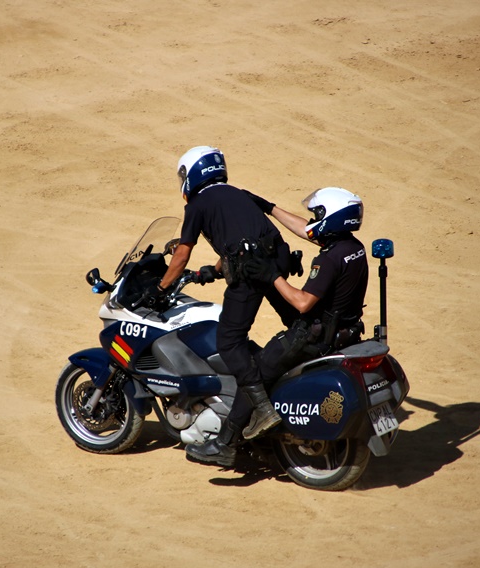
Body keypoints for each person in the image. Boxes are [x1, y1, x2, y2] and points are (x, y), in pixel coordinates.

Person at [153, 146, 301, 468]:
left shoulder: (198, 204)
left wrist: (161, 287)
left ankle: (261, 409)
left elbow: (181, 254)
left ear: (192, 174)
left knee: (229, 340)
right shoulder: (236, 194)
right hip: (273, 260)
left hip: (249, 272)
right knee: (295, 321)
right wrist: (214, 269)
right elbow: (242, 237)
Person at [244, 187, 369, 388]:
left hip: (316, 337)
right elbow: (307, 230)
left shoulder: (329, 258)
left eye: (317, 215)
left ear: (332, 218)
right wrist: (269, 207)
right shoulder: (354, 247)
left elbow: (303, 303)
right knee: (275, 293)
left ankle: (257, 416)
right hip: (342, 330)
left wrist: (272, 275)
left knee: (256, 373)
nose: (312, 220)